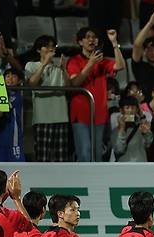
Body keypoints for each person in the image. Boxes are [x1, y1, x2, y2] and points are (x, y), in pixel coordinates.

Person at [67, 27, 125, 162]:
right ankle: (82, 182)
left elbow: (120, 65)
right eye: (87, 37)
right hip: (80, 114)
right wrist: (91, 63)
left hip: (99, 114)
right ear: (80, 42)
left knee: (98, 154)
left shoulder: (103, 61)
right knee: (85, 152)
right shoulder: (74, 61)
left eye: (94, 37)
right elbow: (75, 83)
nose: (91, 39)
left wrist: (115, 43)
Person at [25, 35, 72, 162]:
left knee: (61, 158)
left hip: (61, 117)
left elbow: (68, 87)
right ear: (38, 50)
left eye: (53, 46)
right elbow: (32, 83)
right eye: (47, 46)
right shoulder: (32, 65)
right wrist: (44, 64)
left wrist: (64, 69)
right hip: (42, 118)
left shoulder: (58, 67)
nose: (51, 49)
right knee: (42, 156)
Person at [0, 69, 25, 162]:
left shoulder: (19, 95)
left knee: (17, 166)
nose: (10, 78)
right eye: (7, 76)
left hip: (14, 136)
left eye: (14, 76)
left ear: (19, 81)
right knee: (0, 163)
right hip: (0, 133)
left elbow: (8, 106)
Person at [112, 96, 154, 163]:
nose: (130, 111)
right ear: (121, 110)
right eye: (127, 108)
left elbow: (148, 144)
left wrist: (147, 133)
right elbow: (119, 150)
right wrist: (122, 129)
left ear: (137, 110)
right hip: (124, 167)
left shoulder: (142, 126)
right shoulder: (116, 130)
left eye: (133, 108)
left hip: (141, 166)